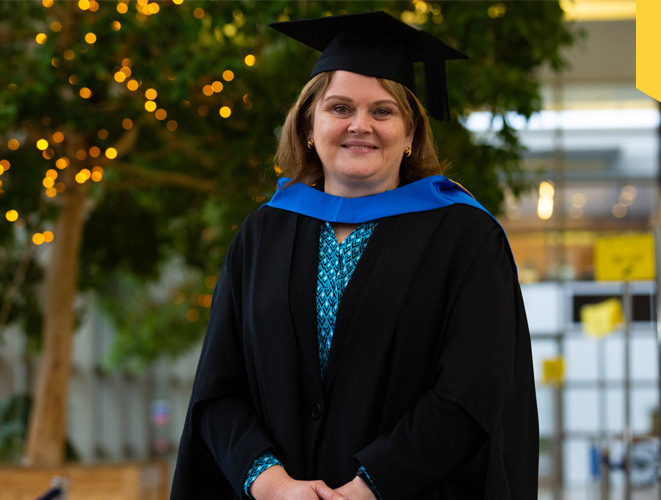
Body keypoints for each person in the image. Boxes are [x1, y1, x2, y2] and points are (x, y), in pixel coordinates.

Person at [171, 11, 538, 500]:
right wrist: (273, 485)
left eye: (383, 111)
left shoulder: (464, 237)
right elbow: (217, 390)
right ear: (308, 124)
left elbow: (472, 393)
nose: (359, 126)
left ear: (410, 134)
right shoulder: (262, 234)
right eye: (339, 108)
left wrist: (369, 487)